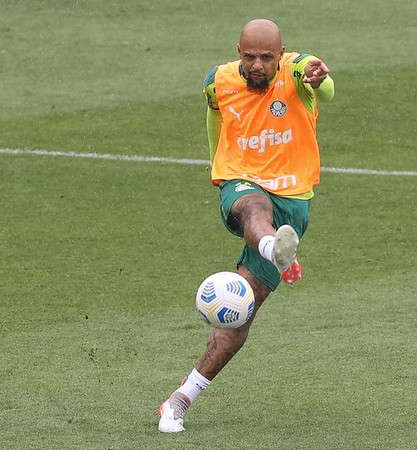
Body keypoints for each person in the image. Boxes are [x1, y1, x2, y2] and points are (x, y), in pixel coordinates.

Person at [158, 18, 334, 433]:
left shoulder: (296, 71)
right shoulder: (216, 81)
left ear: (281, 54)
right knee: (255, 208)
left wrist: (320, 76)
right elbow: (215, 119)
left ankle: (179, 399)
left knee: (239, 315)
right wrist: (219, 168)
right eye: (249, 56)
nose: (256, 65)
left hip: (293, 199)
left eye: (266, 57)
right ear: (238, 51)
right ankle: (274, 249)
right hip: (242, 182)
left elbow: (324, 86)